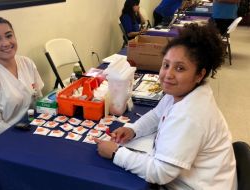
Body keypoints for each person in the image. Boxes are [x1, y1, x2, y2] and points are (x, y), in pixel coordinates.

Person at [95, 23, 237, 189]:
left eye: (180, 68)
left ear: (200, 74)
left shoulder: (191, 114)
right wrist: (133, 129)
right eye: (166, 65)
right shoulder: (183, 92)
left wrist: (116, 153)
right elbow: (157, 114)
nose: (168, 75)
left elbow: (160, 173)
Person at [0, 16, 44, 153]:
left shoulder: (27, 63)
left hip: (24, 125)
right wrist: (25, 138)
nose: (6, 43)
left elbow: (37, 101)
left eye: (9, 36)